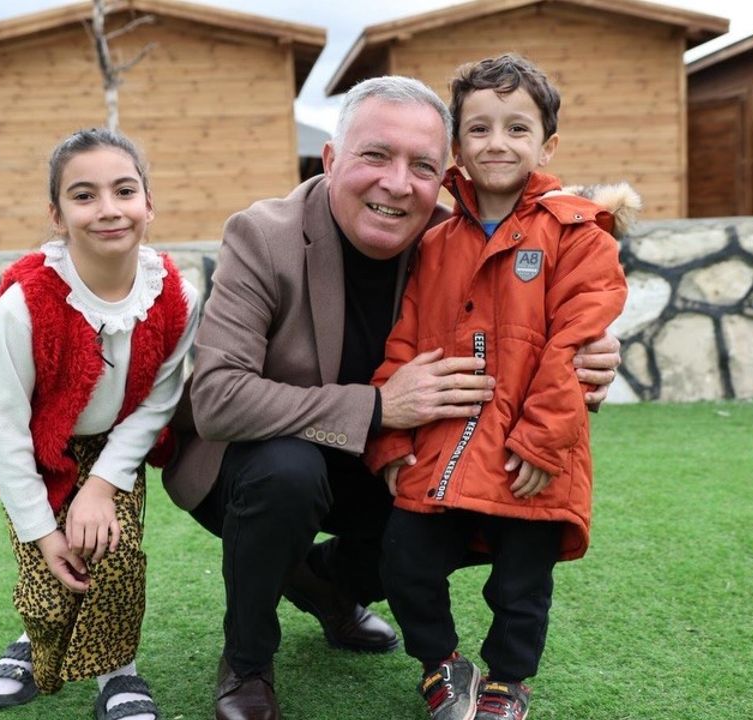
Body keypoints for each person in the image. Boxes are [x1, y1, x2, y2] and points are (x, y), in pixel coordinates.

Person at [160, 76, 623, 720]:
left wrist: (589, 359)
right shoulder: (263, 235)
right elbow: (218, 398)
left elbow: (535, 331)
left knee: (449, 502)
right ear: (331, 159)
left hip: (383, 458)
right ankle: (247, 660)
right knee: (287, 471)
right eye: (375, 155)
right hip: (253, 464)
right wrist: (378, 408)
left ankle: (327, 584)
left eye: (422, 166)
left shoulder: (454, 240)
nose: (397, 184)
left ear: (445, 174)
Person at [364, 55, 633, 720]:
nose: (497, 143)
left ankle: (509, 681)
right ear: (457, 146)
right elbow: (405, 342)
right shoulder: (434, 244)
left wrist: (542, 441)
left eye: (517, 128)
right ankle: (442, 662)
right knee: (403, 560)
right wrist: (391, 440)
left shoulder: (578, 235)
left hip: (534, 455)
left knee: (521, 585)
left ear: (548, 145)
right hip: (444, 446)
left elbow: (573, 347)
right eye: (479, 128)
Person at [0, 128, 200, 720]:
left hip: (115, 446)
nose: (108, 209)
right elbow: (1, 425)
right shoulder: (24, 304)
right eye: (83, 195)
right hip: (37, 448)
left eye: (124, 191)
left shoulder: (176, 294)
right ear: (57, 215)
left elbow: (157, 401)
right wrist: (43, 533)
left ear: (148, 203)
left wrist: (101, 485)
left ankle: (116, 672)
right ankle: (32, 639)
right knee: (53, 584)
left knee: (113, 555)